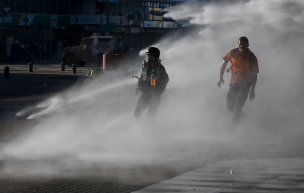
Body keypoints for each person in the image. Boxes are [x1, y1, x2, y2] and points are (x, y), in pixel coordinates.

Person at [217, 36, 259, 124]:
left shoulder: (252, 57)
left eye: (244, 44)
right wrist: (220, 77)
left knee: (237, 106)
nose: (242, 46)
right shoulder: (233, 52)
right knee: (229, 106)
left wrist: (252, 89)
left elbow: (254, 75)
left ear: (247, 45)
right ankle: (241, 116)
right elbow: (224, 63)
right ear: (238, 44)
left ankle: (233, 129)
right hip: (233, 83)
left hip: (246, 85)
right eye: (240, 44)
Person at [134, 47, 169, 127]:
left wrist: (157, 80)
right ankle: (143, 128)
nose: (148, 58)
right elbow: (142, 77)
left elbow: (166, 79)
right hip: (145, 94)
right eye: (147, 56)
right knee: (136, 112)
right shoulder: (145, 66)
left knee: (150, 116)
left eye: (150, 56)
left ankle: (151, 134)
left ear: (156, 57)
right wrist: (138, 87)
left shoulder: (160, 68)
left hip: (155, 95)